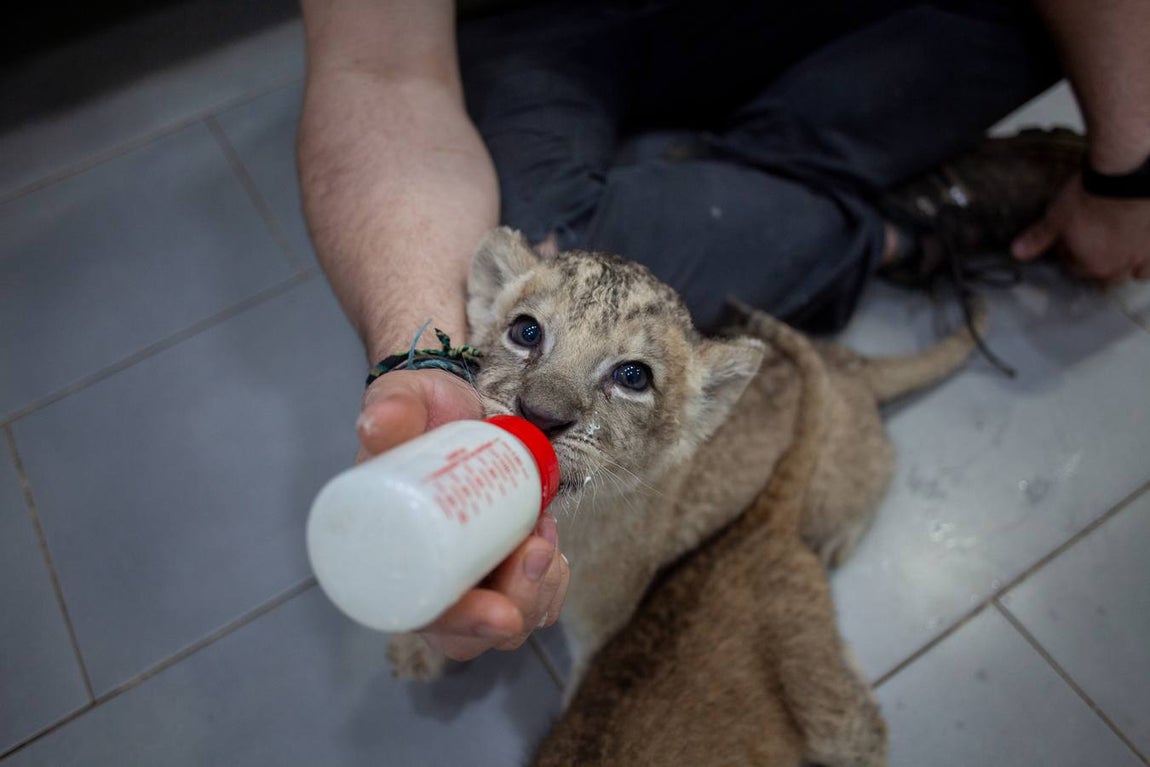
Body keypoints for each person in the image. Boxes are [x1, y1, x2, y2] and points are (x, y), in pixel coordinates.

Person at [297, 0, 1150, 665]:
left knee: (1035, 28)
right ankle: (887, 219)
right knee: (539, 238)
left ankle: (764, 183)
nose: (545, 404)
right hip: (537, 23)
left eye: (628, 379)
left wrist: (1131, 172)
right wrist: (427, 355)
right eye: (519, 333)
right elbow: (380, 68)